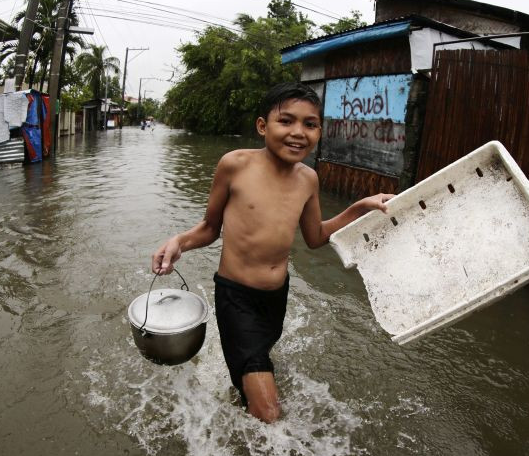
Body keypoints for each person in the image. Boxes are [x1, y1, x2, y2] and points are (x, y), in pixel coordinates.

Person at [151, 82, 393, 423]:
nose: (298, 133)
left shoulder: (308, 179)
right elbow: (210, 228)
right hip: (236, 298)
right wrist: (179, 241)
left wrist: (360, 207)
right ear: (263, 126)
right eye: (286, 121)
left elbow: (315, 237)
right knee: (270, 412)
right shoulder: (235, 165)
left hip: (276, 298)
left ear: (319, 131)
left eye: (310, 124)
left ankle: (244, 401)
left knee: (254, 375)